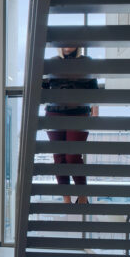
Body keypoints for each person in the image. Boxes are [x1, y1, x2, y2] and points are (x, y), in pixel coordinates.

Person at [43, 47, 98, 204]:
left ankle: (82, 195)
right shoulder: (52, 62)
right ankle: (66, 198)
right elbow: (43, 86)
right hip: (54, 113)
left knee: (73, 157)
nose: (67, 45)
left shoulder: (86, 62)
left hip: (79, 113)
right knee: (59, 157)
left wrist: (95, 109)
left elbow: (93, 88)